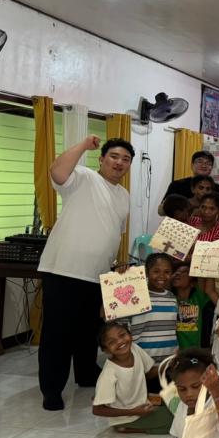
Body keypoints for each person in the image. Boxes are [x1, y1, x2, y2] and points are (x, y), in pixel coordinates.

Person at [38, 135, 132, 411]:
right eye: (114, 156)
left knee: (89, 331)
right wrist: (82, 145)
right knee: (58, 334)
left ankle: (86, 373)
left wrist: (117, 266)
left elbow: (114, 233)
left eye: (126, 159)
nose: (119, 162)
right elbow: (57, 171)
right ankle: (52, 390)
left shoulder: (124, 195)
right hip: (64, 270)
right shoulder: (83, 177)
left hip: (98, 275)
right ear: (101, 159)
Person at [92, 321, 169, 434]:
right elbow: (97, 410)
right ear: (106, 350)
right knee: (173, 421)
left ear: (130, 334)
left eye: (122, 335)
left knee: (177, 404)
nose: (120, 341)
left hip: (143, 405)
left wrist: (169, 364)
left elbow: (149, 373)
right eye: (112, 342)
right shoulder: (109, 373)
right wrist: (134, 411)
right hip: (127, 417)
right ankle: (126, 427)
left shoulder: (134, 348)